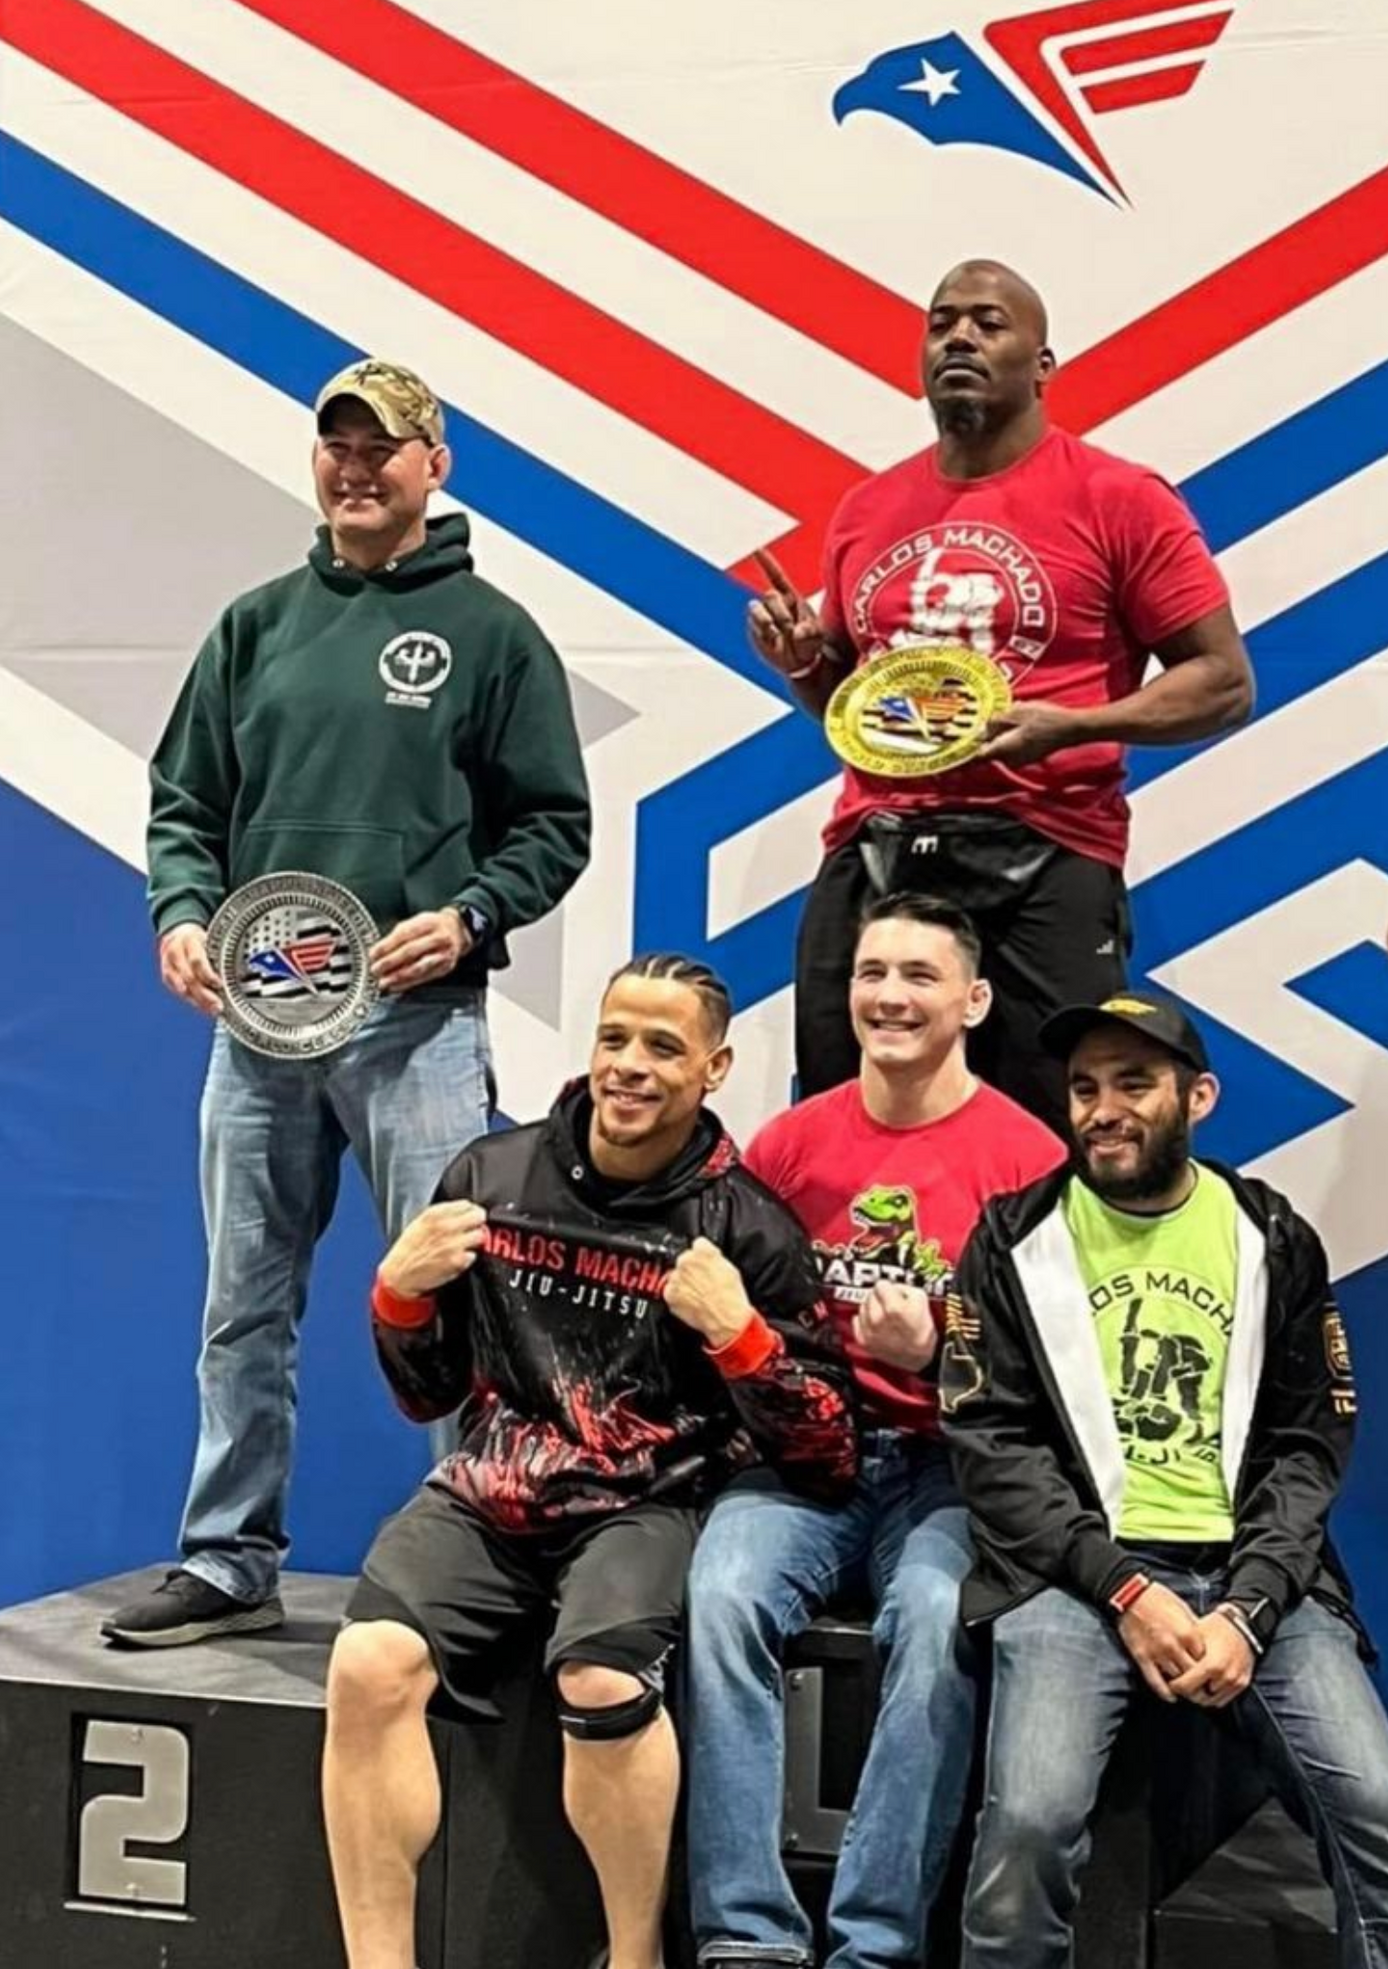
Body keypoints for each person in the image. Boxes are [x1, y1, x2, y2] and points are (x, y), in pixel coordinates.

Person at [106, 358, 592, 1649]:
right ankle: (225, 1555)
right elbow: (184, 806)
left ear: (437, 463)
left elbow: (553, 824)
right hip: (263, 1019)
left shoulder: (491, 634)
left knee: (454, 1295)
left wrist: (475, 912)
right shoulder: (255, 625)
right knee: (241, 1302)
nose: (357, 465)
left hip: (418, 1023)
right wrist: (181, 912)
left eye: (385, 444)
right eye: (336, 443)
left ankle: (481, 1557)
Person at [322, 954, 857, 1969]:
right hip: (493, 1493)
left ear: (715, 1068)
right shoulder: (491, 1176)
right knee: (366, 1663)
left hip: (645, 1505)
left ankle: (634, 1953)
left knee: (605, 1682)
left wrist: (743, 1338)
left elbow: (828, 1452)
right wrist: (396, 1297)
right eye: (616, 1038)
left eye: (664, 1046)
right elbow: (426, 1394)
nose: (630, 1065)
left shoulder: (746, 1227)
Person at [940, 992, 1388, 1969]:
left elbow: (1310, 1443)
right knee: (1027, 1832)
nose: (1102, 1108)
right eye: (1085, 1087)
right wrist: (1124, 1588)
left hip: (1252, 1581)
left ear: (1199, 1097)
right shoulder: (1012, 1239)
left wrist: (1254, 1607)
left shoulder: (1271, 1236)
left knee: (1384, 1823)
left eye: (1135, 1083)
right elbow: (991, 1444)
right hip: (1074, 1582)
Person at [748, 258, 1253, 1128]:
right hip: (877, 843)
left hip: (1047, 847)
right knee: (844, 1118)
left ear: (1042, 363)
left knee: (1053, 1136)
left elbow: (1224, 682)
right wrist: (805, 663)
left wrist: (1074, 727)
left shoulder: (1119, 498)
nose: (959, 339)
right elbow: (855, 713)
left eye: (988, 323)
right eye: (942, 322)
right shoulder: (869, 508)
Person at [686, 891, 1064, 1969]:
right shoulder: (789, 1147)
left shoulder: (1026, 1161)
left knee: (939, 1625)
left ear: (975, 1000)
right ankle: (746, 1937)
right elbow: (741, 1319)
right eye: (871, 974)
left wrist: (938, 1356)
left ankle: (875, 1944)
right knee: (720, 1600)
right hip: (807, 1460)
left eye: (919, 975)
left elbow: (1052, 1379)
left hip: (953, 1470)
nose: (890, 996)